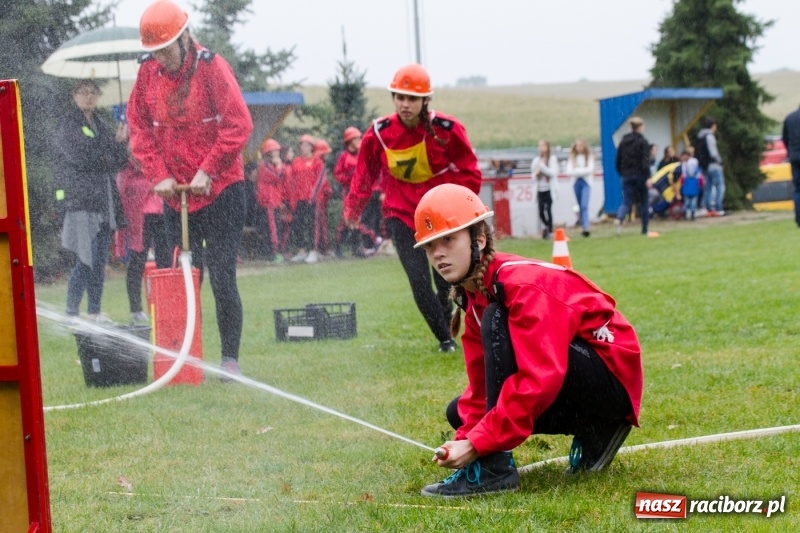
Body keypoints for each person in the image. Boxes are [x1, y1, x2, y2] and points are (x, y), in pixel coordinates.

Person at [413, 183, 643, 498]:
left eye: (448, 239)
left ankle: (496, 471)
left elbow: (540, 377)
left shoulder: (517, 286)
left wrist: (481, 444)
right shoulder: (475, 295)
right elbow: (482, 385)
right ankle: (597, 431)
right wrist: (467, 437)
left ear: (478, 239)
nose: (438, 253)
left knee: (497, 320)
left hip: (611, 379)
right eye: (429, 246)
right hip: (577, 377)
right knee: (460, 411)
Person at [127, 0, 253, 377]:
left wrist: (209, 170)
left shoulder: (212, 67)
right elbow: (139, 129)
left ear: (184, 39)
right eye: (154, 51)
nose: (161, 58)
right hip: (175, 195)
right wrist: (158, 175)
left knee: (221, 273)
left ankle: (229, 359)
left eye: (166, 49)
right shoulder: (148, 74)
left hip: (222, 191)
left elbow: (239, 125)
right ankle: (183, 358)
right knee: (181, 275)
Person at [343, 64, 483, 353]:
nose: (405, 105)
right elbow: (363, 175)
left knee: (446, 279)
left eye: (412, 99)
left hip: (442, 219)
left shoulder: (447, 129)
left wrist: (466, 210)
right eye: (400, 97)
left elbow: (470, 172)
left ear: (424, 101)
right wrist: (353, 210)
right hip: (401, 217)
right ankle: (444, 339)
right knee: (419, 282)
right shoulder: (379, 133)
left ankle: (451, 327)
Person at [56, 79, 129, 323]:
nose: (88, 97)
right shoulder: (68, 124)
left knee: (99, 261)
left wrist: (120, 143)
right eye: (83, 92)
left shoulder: (101, 124)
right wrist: (106, 151)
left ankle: (95, 311)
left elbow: (116, 162)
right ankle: (72, 311)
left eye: (92, 93)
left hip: (104, 202)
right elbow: (82, 156)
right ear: (74, 95)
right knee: (85, 259)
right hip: (82, 202)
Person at [115, 148, 170, 325]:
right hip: (139, 218)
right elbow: (123, 192)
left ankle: (165, 305)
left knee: (165, 262)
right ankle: (136, 309)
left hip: (160, 212)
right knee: (137, 262)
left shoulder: (158, 160)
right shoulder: (126, 170)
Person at [333, 127, 378, 257]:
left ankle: (356, 248)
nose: (359, 140)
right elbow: (338, 174)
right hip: (348, 191)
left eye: (359, 137)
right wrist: (349, 179)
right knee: (346, 219)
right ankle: (338, 247)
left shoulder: (362, 154)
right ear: (349, 141)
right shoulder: (343, 156)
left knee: (357, 218)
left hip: (360, 191)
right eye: (356, 138)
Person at [615, 117, 657, 237]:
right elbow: (645, 161)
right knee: (643, 202)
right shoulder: (643, 142)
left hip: (626, 175)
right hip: (640, 176)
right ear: (640, 127)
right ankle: (644, 229)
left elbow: (618, 159)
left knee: (627, 202)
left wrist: (622, 172)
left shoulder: (623, 141)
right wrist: (647, 176)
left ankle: (620, 217)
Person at [289, 134, 323, 263]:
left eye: (307, 145)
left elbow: (320, 180)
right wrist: (293, 199)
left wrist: (313, 196)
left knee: (313, 225)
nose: (304, 147)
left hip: (313, 199)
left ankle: (313, 251)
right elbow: (292, 181)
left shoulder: (317, 161)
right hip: (299, 199)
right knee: (298, 224)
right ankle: (302, 250)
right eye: (302, 145)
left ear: (312, 147)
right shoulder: (296, 161)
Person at [256, 138, 289, 263]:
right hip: (268, 202)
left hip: (274, 201)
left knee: (276, 227)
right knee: (272, 228)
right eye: (273, 152)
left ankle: (273, 251)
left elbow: (283, 176)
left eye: (277, 151)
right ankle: (274, 252)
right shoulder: (264, 167)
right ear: (268, 154)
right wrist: (280, 165)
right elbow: (277, 176)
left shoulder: (272, 166)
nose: (276, 154)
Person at [696, 116, 726, 216]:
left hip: (704, 166)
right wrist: (719, 161)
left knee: (707, 187)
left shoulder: (700, 136)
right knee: (720, 186)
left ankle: (707, 207)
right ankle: (718, 207)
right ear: (713, 126)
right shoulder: (709, 136)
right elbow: (713, 152)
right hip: (713, 164)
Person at [566, 139, 595, 237]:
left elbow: (590, 170)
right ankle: (583, 225)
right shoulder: (572, 158)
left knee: (584, 205)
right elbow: (569, 171)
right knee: (579, 205)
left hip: (586, 182)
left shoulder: (589, 157)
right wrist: (581, 171)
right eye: (577, 146)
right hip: (576, 183)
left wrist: (577, 171)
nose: (579, 148)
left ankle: (586, 226)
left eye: (581, 145)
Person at [531, 140, 558, 240]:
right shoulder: (536, 160)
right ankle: (546, 227)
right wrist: (537, 174)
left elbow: (553, 173)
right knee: (541, 211)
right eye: (540, 146)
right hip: (540, 189)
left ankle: (550, 230)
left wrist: (542, 167)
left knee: (548, 210)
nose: (541, 148)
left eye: (543, 146)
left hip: (549, 189)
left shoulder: (552, 159)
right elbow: (533, 175)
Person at [781, 105, 800, 227]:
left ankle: (799, 217)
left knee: (798, 189)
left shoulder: (789, 118)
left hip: (795, 158)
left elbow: (784, 138)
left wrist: (791, 151)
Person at [679, 157, 703, 221]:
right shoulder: (698, 172)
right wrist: (700, 186)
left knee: (686, 203)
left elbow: (682, 181)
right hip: (695, 190)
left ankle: (684, 214)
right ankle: (692, 215)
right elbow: (701, 181)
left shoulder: (685, 172)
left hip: (686, 190)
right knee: (693, 203)